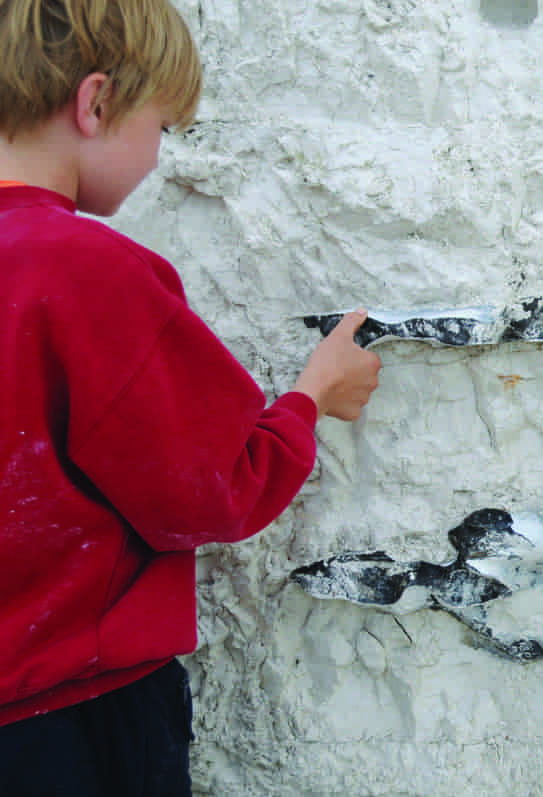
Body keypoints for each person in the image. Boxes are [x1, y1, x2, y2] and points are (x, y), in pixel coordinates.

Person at [0, 0, 383, 793]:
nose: (158, 158)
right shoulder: (88, 272)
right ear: (96, 103)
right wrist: (311, 395)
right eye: (164, 128)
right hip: (76, 723)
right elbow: (214, 489)